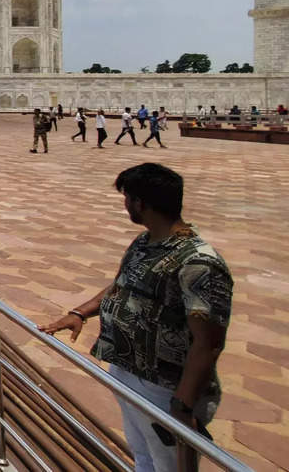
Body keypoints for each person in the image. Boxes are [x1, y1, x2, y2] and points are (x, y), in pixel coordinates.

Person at [40, 163, 232, 472]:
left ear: (140, 203)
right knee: (143, 453)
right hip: (128, 368)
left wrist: (183, 404)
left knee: (170, 464)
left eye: (127, 197)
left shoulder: (198, 262)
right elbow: (124, 284)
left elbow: (208, 343)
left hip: (164, 385)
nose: (125, 204)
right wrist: (80, 312)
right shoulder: (145, 242)